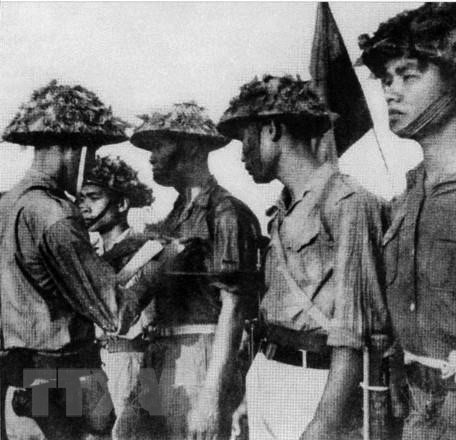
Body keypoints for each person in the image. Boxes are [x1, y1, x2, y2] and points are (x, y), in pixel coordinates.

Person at [217, 75, 389, 440]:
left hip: (315, 384)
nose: (242, 155)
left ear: (273, 129)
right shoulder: (281, 211)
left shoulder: (348, 203)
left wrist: (325, 421)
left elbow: (354, 328)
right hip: (271, 373)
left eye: (245, 139)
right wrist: (254, 388)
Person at [0, 80, 155, 440]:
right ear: (76, 149)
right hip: (60, 378)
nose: (93, 163)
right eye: (93, 152)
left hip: (20, 380)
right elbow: (115, 313)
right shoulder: (55, 214)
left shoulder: (6, 205)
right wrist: (158, 266)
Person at [129, 101, 263, 440]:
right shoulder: (176, 214)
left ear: (190, 147)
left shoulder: (225, 213)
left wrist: (209, 397)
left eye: (159, 146)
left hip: (199, 358)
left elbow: (234, 309)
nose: (151, 157)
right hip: (159, 353)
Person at [359, 3, 456, 439]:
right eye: (386, 79)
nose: (391, 92)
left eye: (409, 76)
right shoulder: (406, 197)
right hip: (417, 408)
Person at [78, 155, 162, 440]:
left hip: (134, 361)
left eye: (94, 197)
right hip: (95, 362)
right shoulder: (89, 254)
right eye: (81, 198)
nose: (84, 206)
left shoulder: (147, 251)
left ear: (122, 204)